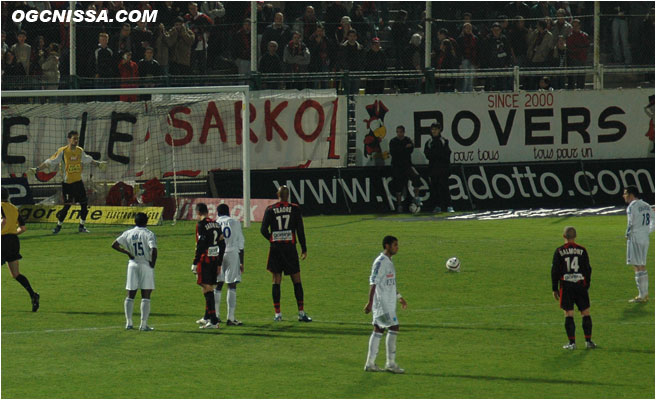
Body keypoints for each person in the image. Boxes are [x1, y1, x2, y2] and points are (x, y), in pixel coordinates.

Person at [35, 130, 106, 234]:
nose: (76, 141)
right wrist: (37, 169)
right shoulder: (63, 151)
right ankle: (58, 227)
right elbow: (49, 162)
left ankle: (82, 226)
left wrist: (98, 164)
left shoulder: (79, 151)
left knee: (84, 204)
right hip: (67, 184)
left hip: (78, 183)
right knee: (67, 206)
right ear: (69, 139)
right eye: (74, 139)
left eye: (77, 139)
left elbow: (88, 160)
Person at [260, 185, 311, 322]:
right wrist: (304, 248)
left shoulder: (270, 209)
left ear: (278, 195)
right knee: (297, 280)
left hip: (276, 249)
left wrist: (272, 238)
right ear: (288, 196)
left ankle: (278, 314)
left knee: (276, 280)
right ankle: (301, 313)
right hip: (290, 249)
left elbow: (263, 229)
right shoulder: (294, 208)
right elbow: (300, 230)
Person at [364, 235, 407, 373]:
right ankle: (390, 363)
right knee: (394, 327)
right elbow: (373, 282)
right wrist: (370, 302)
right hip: (382, 303)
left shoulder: (389, 261)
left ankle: (370, 363)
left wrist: (399, 297)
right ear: (387, 246)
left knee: (379, 330)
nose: (397, 247)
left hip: (388, 302)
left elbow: (390, 283)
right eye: (395, 245)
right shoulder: (380, 262)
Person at [111, 212, 158, 331]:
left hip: (132, 264)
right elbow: (154, 249)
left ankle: (129, 322)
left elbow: (114, 245)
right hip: (145, 264)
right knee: (146, 295)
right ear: (146, 222)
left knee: (130, 294)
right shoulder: (149, 234)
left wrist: (127, 252)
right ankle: (143, 324)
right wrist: (152, 263)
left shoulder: (128, 233)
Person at [551, 226, 595, 350]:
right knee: (585, 312)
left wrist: (555, 288)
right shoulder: (582, 250)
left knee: (569, 313)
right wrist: (587, 284)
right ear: (575, 236)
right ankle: (588, 341)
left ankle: (572, 343)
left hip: (566, 286)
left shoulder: (559, 251)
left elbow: (555, 270)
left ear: (564, 236)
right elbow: (588, 269)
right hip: (580, 284)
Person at [1, 188, 40, 312]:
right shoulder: (14, 208)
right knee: (16, 274)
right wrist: (12, 234)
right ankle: (33, 295)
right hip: (13, 241)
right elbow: (23, 228)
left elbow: (3, 220)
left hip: (2, 241)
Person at [192, 203, 225, 329]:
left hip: (204, 260)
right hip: (214, 259)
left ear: (199, 212)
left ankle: (213, 320)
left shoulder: (201, 225)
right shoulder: (216, 224)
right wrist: (219, 262)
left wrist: (195, 262)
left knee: (207, 287)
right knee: (207, 287)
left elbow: (201, 244)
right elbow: (222, 244)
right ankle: (208, 317)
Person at [622, 186, 655, 303]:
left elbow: (630, 223)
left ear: (631, 195)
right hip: (645, 237)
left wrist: (627, 235)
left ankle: (642, 295)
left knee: (636, 265)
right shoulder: (646, 205)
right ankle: (644, 294)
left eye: (625, 193)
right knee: (642, 264)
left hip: (635, 237)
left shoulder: (632, 207)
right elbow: (654, 219)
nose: (623, 196)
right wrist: (648, 230)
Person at [214, 204, 244, 326]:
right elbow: (241, 243)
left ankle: (216, 315)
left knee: (218, 285)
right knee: (231, 285)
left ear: (218, 213)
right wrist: (242, 262)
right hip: (232, 253)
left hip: (217, 254)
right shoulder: (235, 223)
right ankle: (230, 318)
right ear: (228, 212)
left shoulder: (214, 223)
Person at [389, 125, 422, 213]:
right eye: (397, 132)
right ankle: (399, 205)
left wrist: (403, 149)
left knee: (416, 177)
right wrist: (404, 148)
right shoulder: (393, 141)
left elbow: (410, 150)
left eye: (400, 132)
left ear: (403, 132)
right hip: (397, 166)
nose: (399, 133)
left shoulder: (407, 140)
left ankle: (416, 198)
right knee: (398, 186)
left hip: (407, 165)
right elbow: (394, 153)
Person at [423, 122, 453, 213]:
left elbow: (447, 155)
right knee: (434, 189)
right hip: (433, 169)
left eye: (436, 129)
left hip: (443, 169)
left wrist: (447, 168)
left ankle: (449, 206)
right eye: (432, 129)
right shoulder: (429, 142)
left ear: (439, 130)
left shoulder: (444, 141)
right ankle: (437, 206)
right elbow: (427, 154)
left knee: (444, 188)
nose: (434, 131)